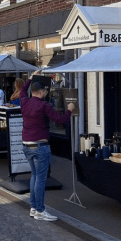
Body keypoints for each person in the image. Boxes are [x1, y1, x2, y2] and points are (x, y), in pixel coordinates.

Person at [20, 70, 74, 221]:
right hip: (40, 145)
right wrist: (69, 110)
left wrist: (30, 78)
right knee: (41, 179)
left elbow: (23, 90)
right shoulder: (44, 105)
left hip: (26, 144)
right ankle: (40, 210)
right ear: (42, 92)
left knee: (34, 176)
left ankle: (33, 207)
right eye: (45, 91)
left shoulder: (25, 101)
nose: (46, 93)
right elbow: (61, 120)